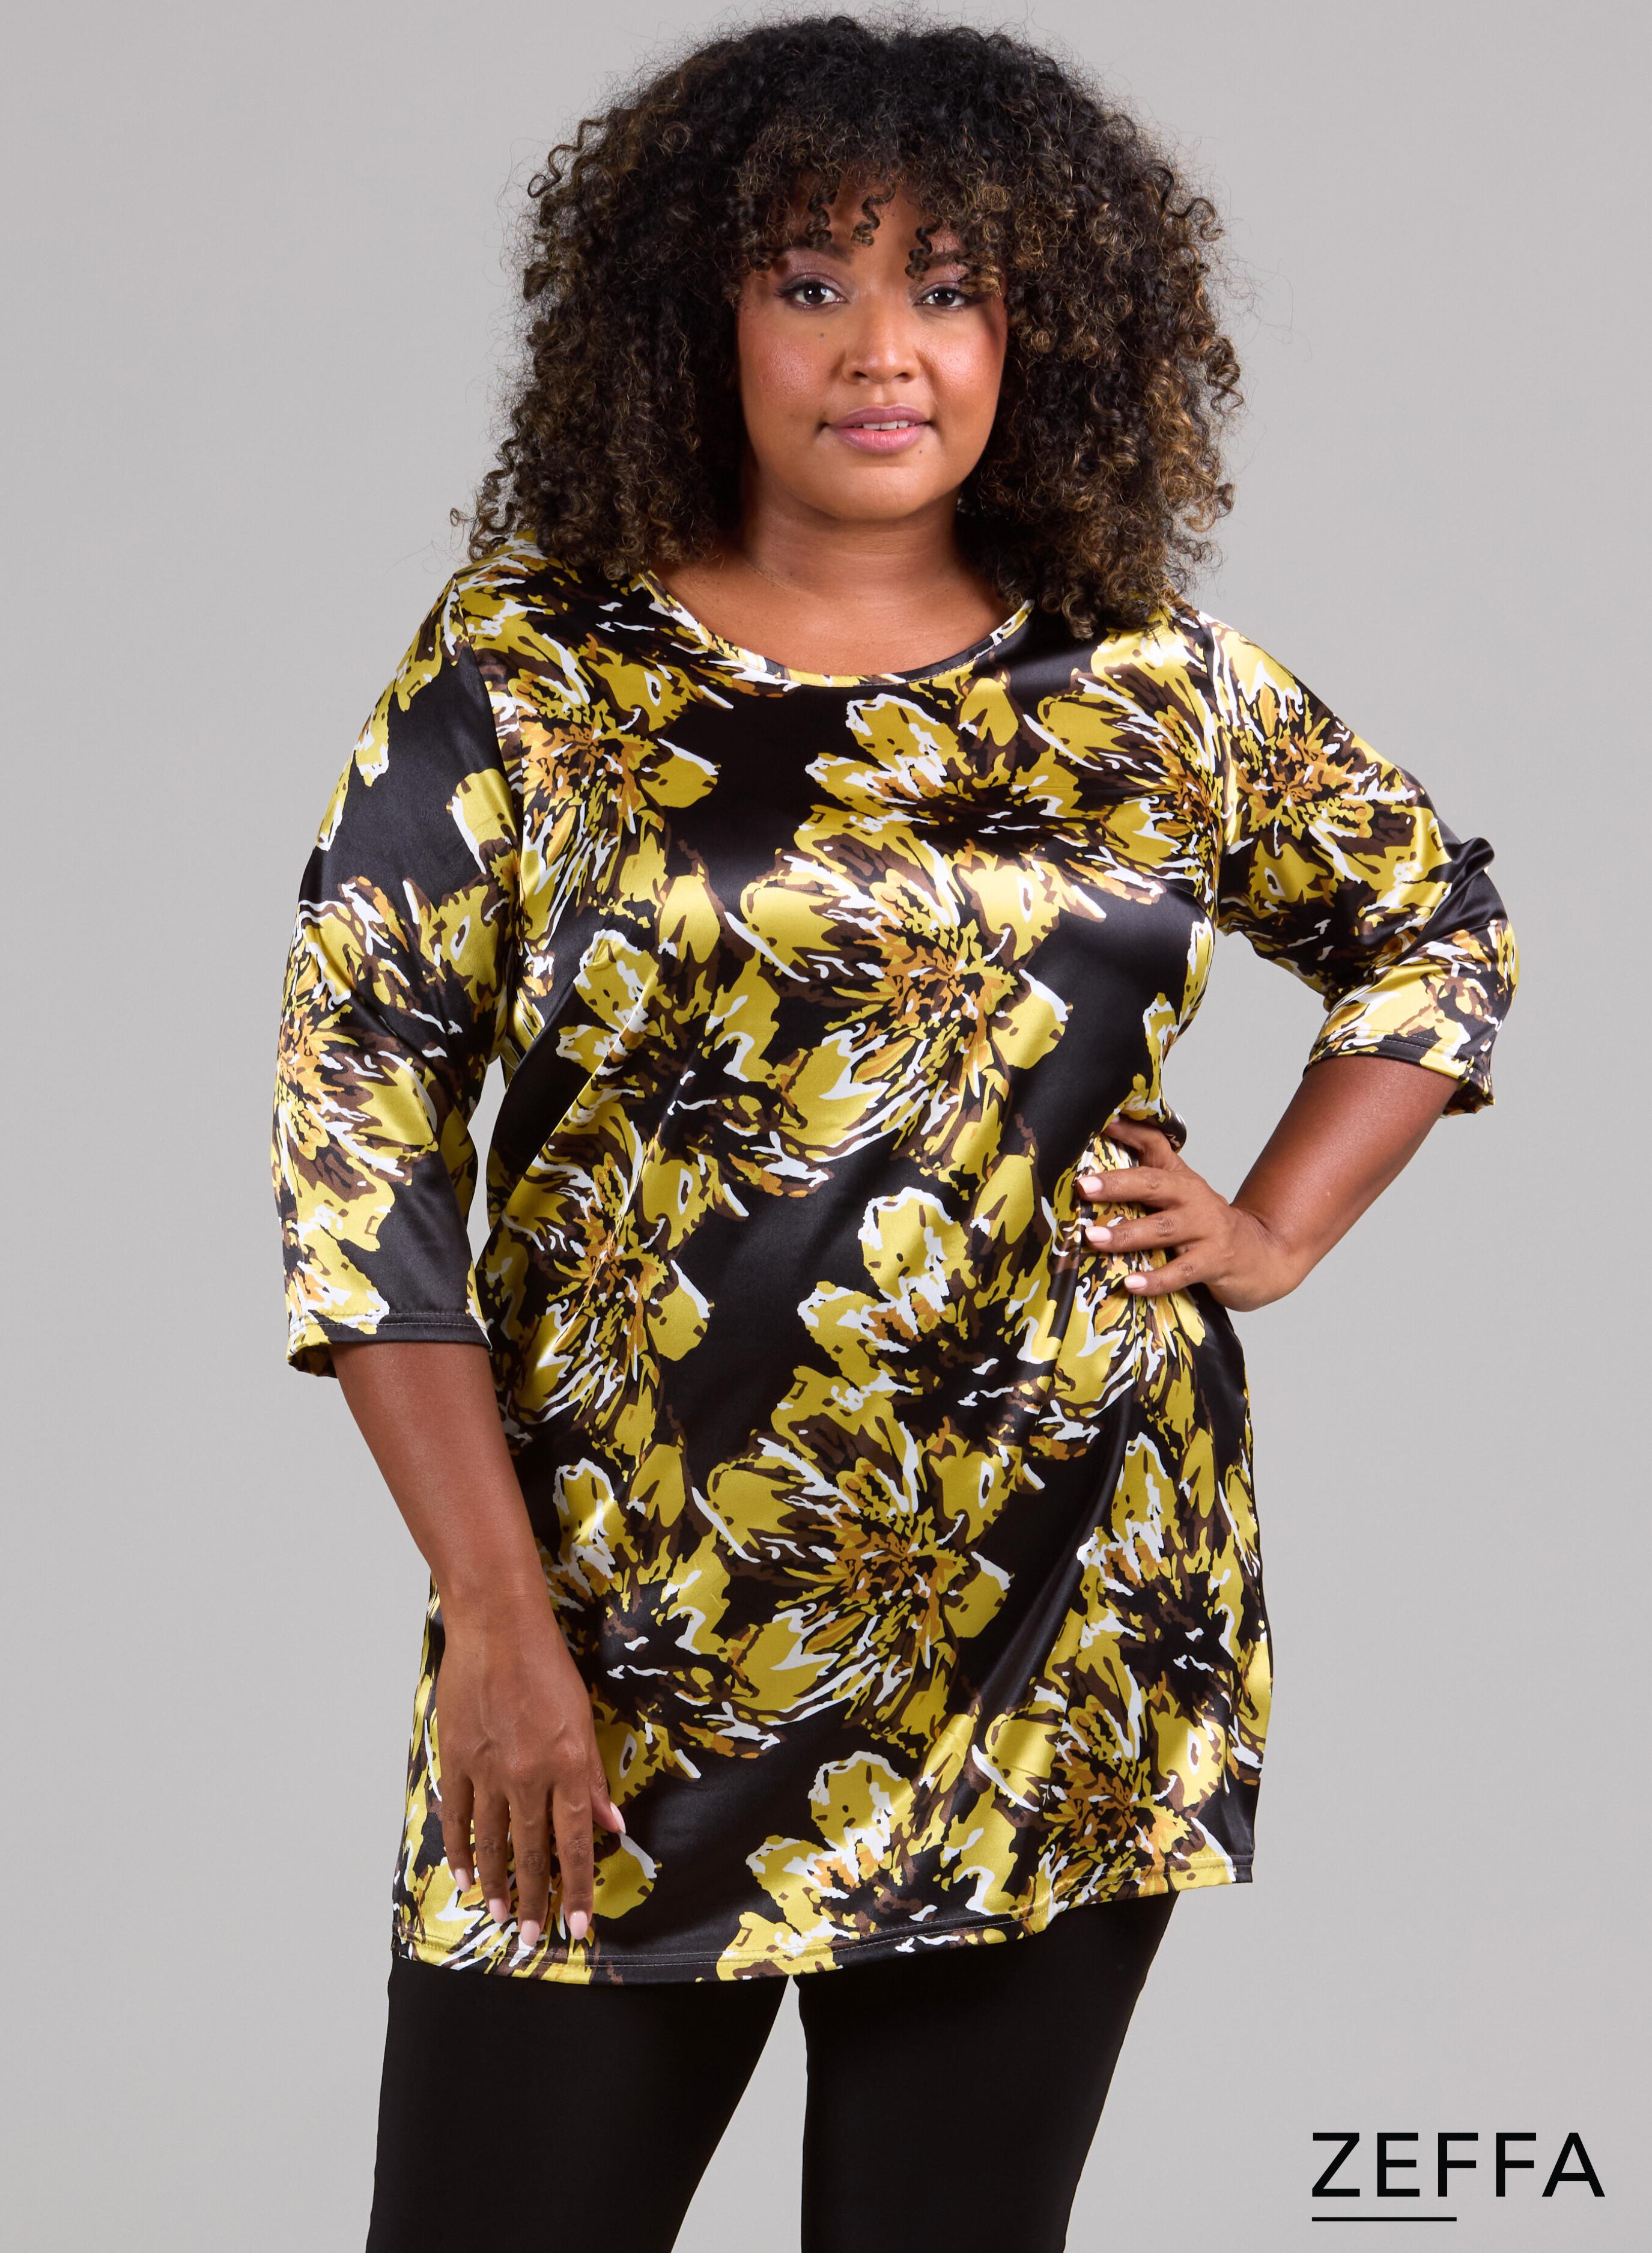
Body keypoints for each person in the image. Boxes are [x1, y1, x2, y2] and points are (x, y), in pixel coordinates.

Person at [271, 18, 1517, 2251]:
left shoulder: (1155, 684)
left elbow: (1433, 926)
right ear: (699, 318)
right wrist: (495, 1620)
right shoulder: (530, 669)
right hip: (621, 1647)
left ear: (1042, 333)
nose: (887, 350)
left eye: (951, 289)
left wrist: (1273, 1229)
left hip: (1065, 1628)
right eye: (812, 281)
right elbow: (361, 1136)